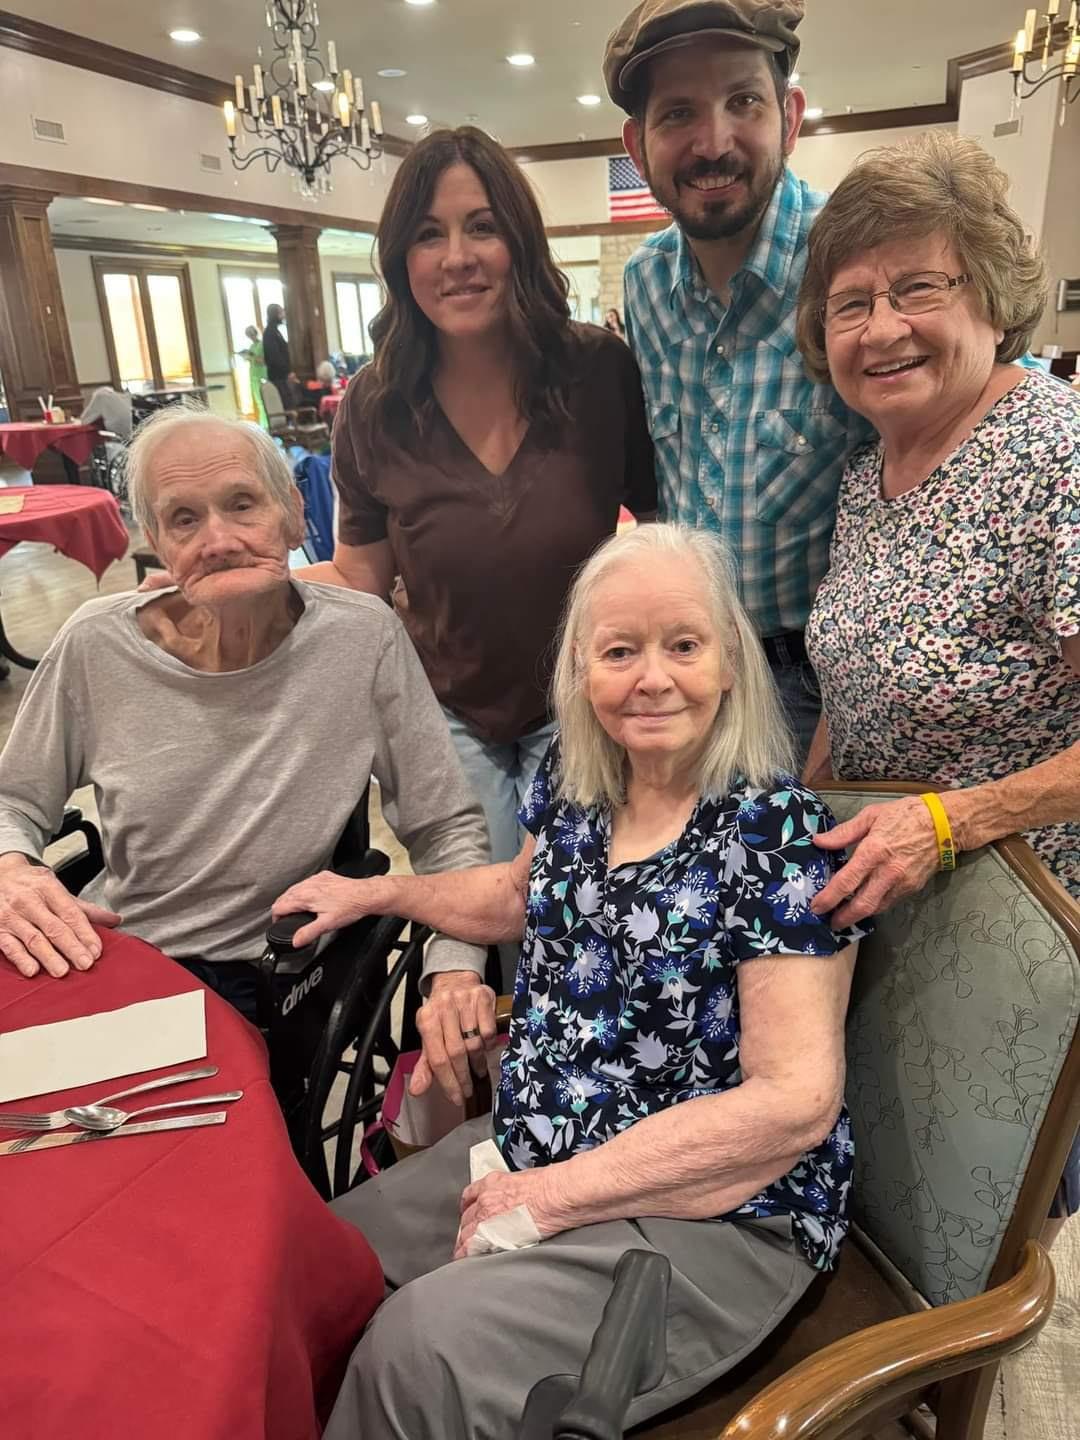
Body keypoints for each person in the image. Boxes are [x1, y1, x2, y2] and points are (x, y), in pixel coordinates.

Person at [273, 523, 868, 1437]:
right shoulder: (581, 785)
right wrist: (383, 888)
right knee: (311, 1265)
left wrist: (553, 1196)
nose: (652, 677)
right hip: (536, 1149)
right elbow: (517, 895)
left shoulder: (775, 835)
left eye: (683, 645)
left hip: (713, 1215)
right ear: (581, 673)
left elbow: (794, 1103)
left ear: (732, 665)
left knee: (417, 1353)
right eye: (619, 651)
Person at [302, 125, 656, 987]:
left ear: (520, 243)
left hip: (582, 705)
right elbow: (360, 579)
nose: (456, 257)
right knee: (494, 931)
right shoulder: (375, 408)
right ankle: (500, 1097)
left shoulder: (598, 370)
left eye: (481, 226)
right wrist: (242, 587)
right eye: (429, 233)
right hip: (448, 711)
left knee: (584, 924)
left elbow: (656, 530)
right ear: (399, 259)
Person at [0, 406, 488, 1018]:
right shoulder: (95, 645)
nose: (219, 542)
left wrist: (452, 975)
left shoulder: (362, 641)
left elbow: (446, 826)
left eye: (242, 504)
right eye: (184, 518)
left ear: (292, 515)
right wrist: (11, 870)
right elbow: (13, 799)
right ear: (155, 540)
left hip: (272, 972)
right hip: (122, 954)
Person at [795, 131, 1079, 918]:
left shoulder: (1058, 456)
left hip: (1030, 934)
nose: (882, 330)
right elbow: (853, 695)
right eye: (850, 303)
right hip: (899, 918)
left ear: (991, 296)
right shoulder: (866, 476)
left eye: (918, 289)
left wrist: (951, 823)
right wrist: (802, 815)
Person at [604, 0, 873, 766]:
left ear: (789, 116)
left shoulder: (854, 260)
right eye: (678, 113)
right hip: (696, 669)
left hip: (830, 682)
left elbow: (977, 423)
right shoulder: (647, 284)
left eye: (743, 102)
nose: (713, 142)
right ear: (639, 143)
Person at [262, 303, 297, 407]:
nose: (284, 315)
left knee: (289, 402)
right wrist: (287, 372)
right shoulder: (270, 332)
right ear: (275, 314)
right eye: (281, 312)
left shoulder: (276, 331)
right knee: (286, 404)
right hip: (278, 376)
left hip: (281, 376)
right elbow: (275, 356)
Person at [240, 323, 268, 425]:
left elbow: (264, 360)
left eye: (251, 335)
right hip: (253, 375)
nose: (251, 337)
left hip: (261, 375)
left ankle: (267, 424)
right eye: (249, 336)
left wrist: (252, 356)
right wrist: (246, 356)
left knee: (264, 400)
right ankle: (263, 423)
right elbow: (251, 359)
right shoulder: (252, 346)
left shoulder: (262, 345)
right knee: (258, 402)